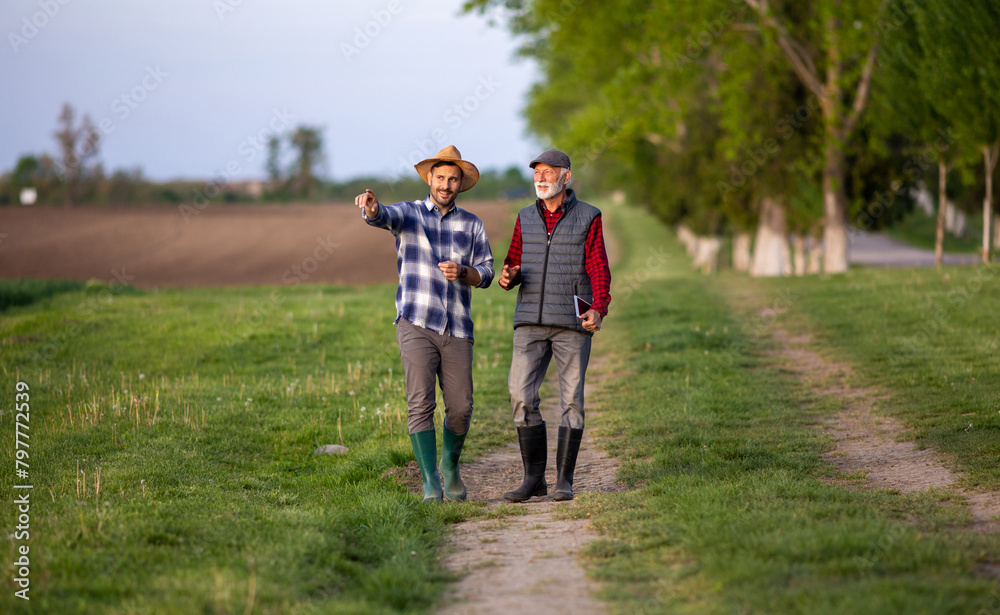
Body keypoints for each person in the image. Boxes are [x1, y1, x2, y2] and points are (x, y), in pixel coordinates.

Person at [356, 145, 494, 502]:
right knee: (421, 404)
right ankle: (430, 479)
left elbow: (487, 272)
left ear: (460, 184)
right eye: (441, 177)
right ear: (430, 179)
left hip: (458, 328)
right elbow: (383, 216)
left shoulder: (472, 224)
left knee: (461, 408)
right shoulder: (410, 214)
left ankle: (450, 467)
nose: (446, 184)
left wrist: (465, 272)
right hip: (415, 322)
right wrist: (372, 209)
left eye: (453, 179)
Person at [498, 148, 611, 502]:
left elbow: (598, 267)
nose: (541, 178)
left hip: (571, 323)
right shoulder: (524, 217)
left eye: (549, 172)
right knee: (520, 395)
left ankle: (564, 480)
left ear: (566, 177)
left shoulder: (588, 216)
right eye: (537, 172)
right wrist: (507, 277)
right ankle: (534, 479)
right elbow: (513, 263)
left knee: (571, 401)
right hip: (529, 320)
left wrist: (599, 308)